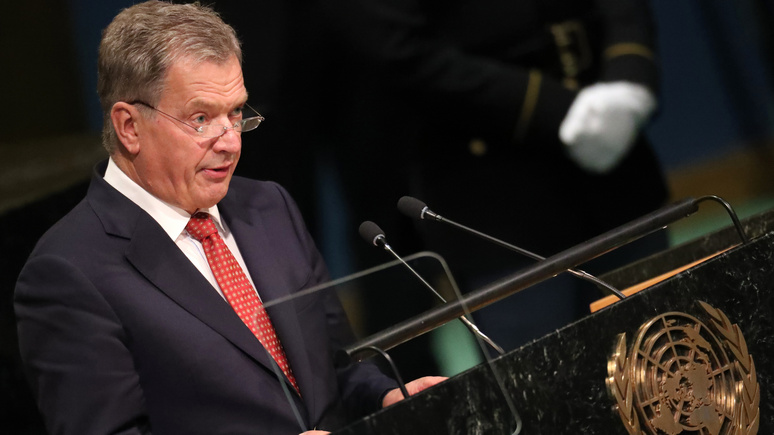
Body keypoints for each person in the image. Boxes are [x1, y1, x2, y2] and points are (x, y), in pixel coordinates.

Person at [13, 2, 443, 434]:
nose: (230, 143)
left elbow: (338, 364)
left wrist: (385, 395)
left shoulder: (269, 206)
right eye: (201, 119)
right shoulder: (68, 272)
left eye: (235, 113)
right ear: (129, 126)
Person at [229, 0, 670, 355]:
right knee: (546, 388)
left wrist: (630, 74)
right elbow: (398, 47)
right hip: (496, 199)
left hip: (615, 167)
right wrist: (556, 110)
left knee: (672, 352)